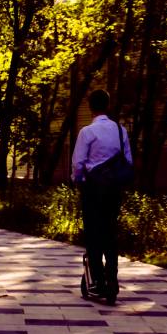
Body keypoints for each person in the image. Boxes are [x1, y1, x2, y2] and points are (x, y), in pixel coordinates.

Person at [71, 89, 132, 301]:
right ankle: (112, 278)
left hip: (93, 189)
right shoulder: (120, 130)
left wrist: (78, 180)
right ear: (107, 105)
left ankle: (96, 281)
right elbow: (128, 160)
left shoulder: (87, 132)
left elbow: (78, 163)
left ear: (90, 107)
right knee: (110, 232)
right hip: (114, 188)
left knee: (94, 234)